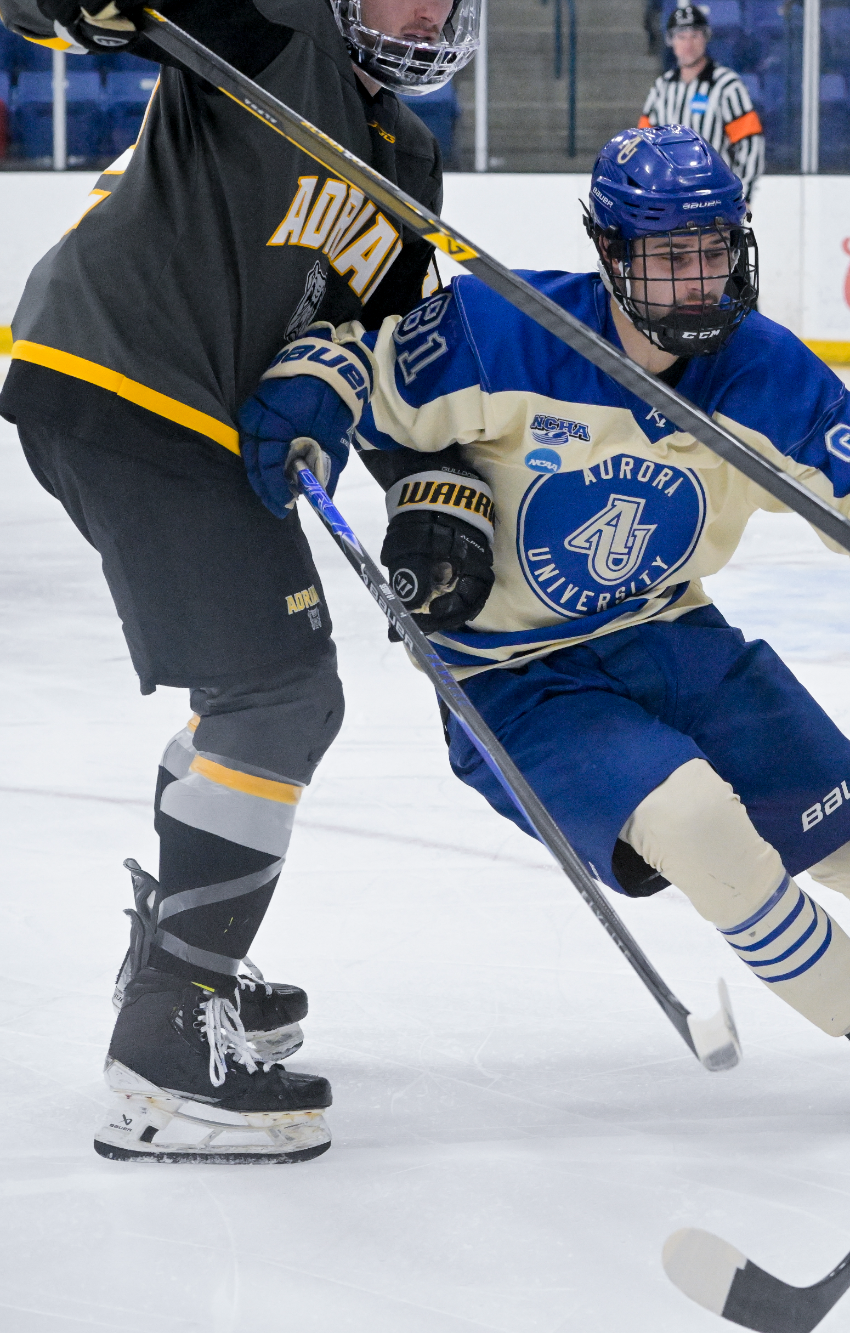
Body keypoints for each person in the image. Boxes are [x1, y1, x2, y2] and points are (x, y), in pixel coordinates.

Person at [237, 126, 850, 1121]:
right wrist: (321, 392)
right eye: (665, 258)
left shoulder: (757, 369)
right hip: (515, 677)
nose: (695, 282)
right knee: (695, 820)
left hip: (670, 631)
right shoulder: (502, 330)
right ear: (610, 254)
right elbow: (366, 374)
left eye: (711, 253)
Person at [0, 0, 478, 1163]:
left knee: (258, 701)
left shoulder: (408, 161)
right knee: (282, 695)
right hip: (126, 380)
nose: (414, 10)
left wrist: (430, 496)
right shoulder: (274, 33)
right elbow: (96, 20)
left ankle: (178, 957)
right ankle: (165, 1042)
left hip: (185, 416)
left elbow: (379, 335)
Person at [637, 4, 762, 200]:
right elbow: (644, 145)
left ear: (706, 37)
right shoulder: (662, 87)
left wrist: (741, 195)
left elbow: (750, 143)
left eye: (695, 35)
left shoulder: (727, 85)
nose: (688, 42)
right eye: (681, 36)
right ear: (671, 40)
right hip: (670, 199)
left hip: (715, 197)